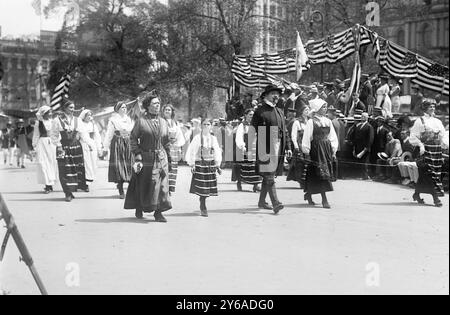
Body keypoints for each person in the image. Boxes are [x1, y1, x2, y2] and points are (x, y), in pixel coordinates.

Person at [124, 93, 172, 222]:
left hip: (161, 158)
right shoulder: (141, 121)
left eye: (158, 104)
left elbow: (166, 141)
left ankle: (158, 212)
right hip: (146, 157)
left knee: (161, 185)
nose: (157, 106)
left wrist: (170, 157)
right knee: (145, 184)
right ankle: (139, 206)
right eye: (154, 104)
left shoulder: (164, 122)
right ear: (148, 106)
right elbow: (133, 138)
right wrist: (138, 155)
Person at [252, 84, 292, 214]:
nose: (276, 96)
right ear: (266, 95)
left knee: (269, 175)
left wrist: (288, 147)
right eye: (273, 93)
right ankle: (276, 203)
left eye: (278, 94)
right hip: (265, 147)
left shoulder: (280, 111)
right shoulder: (259, 111)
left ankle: (262, 201)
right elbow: (252, 131)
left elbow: (285, 131)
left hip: (278, 147)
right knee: (269, 175)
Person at [302, 99, 339, 208]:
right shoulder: (311, 122)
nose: (325, 109)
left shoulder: (328, 121)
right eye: (323, 107)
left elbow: (332, 137)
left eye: (325, 107)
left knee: (319, 174)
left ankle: (308, 194)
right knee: (320, 173)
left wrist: (333, 150)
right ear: (317, 108)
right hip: (316, 150)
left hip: (326, 149)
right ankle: (324, 199)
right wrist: (306, 152)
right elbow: (307, 138)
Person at [410, 101, 447, 207]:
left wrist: (445, 145)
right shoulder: (419, 121)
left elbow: (443, 136)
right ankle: (436, 198)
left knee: (430, 174)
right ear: (425, 108)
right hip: (425, 151)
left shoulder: (438, 121)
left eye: (433, 106)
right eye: (430, 106)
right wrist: (420, 145)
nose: (432, 108)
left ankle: (416, 194)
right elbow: (413, 136)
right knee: (429, 173)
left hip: (436, 151)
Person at [51, 100, 89, 202]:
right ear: (65, 108)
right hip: (62, 147)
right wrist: (58, 145)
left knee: (76, 169)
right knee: (64, 170)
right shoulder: (57, 120)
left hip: (76, 147)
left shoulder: (78, 120)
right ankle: (67, 193)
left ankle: (72, 190)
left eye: (73, 107)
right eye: (70, 108)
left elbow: (84, 134)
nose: (72, 110)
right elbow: (53, 135)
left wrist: (90, 144)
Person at [186, 118, 222, 217]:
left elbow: (217, 151)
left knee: (208, 187)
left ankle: (203, 200)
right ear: (202, 126)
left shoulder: (213, 138)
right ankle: (203, 205)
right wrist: (192, 164)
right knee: (202, 187)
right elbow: (192, 151)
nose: (206, 126)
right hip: (200, 164)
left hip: (210, 164)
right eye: (204, 124)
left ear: (211, 126)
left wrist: (218, 164)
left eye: (208, 124)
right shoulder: (197, 138)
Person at [103, 102, 135, 199]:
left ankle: (130, 189)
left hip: (128, 143)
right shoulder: (113, 120)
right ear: (117, 109)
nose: (124, 109)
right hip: (118, 143)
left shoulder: (129, 119)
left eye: (125, 107)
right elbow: (109, 134)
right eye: (122, 107)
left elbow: (132, 132)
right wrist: (105, 147)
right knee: (119, 165)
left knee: (130, 165)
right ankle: (120, 189)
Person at [32, 106, 58, 194]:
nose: (50, 114)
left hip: (51, 144)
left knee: (51, 163)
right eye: (48, 113)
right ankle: (47, 185)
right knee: (43, 163)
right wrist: (34, 146)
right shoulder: (38, 123)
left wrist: (58, 144)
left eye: (50, 112)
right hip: (42, 144)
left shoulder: (53, 122)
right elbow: (36, 135)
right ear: (43, 114)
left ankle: (50, 184)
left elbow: (56, 134)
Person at [235, 109, 262, 193]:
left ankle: (256, 185)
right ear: (246, 115)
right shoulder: (242, 125)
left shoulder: (256, 125)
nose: (252, 116)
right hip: (246, 147)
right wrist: (242, 146)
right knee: (244, 166)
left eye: (253, 115)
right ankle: (239, 182)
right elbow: (239, 137)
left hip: (255, 148)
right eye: (250, 114)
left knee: (256, 166)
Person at [162, 104, 186, 195]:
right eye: (166, 110)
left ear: (172, 112)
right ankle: (163, 187)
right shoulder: (160, 121)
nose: (167, 111)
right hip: (164, 147)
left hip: (174, 147)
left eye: (169, 110)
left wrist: (179, 147)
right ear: (163, 112)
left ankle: (170, 188)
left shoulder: (175, 123)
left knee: (173, 167)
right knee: (164, 166)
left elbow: (179, 135)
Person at [79, 109, 102, 190]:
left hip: (92, 145)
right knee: (86, 163)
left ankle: (88, 180)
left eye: (90, 115)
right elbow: (83, 136)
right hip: (84, 145)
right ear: (83, 116)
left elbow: (97, 136)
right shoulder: (81, 124)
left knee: (92, 163)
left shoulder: (93, 124)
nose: (89, 117)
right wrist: (89, 144)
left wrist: (99, 147)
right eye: (87, 115)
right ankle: (85, 184)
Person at [287, 106, 309, 188]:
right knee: (300, 165)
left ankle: (306, 181)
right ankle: (301, 181)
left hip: (308, 145)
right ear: (302, 111)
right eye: (305, 110)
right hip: (300, 145)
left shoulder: (309, 121)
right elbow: (293, 136)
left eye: (308, 110)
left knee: (308, 164)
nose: (307, 111)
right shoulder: (297, 122)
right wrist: (296, 146)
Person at [348, 112, 374, 180]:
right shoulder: (358, 126)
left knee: (364, 162)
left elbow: (370, 139)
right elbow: (355, 137)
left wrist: (366, 149)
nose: (363, 118)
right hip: (358, 147)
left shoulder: (369, 127)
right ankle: (360, 175)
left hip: (364, 148)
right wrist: (354, 147)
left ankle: (365, 176)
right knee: (359, 162)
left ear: (367, 118)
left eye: (364, 116)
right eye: (362, 116)